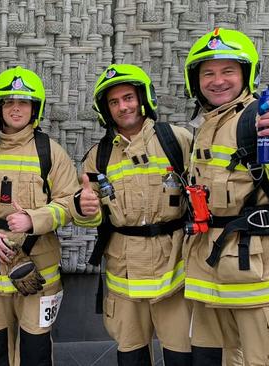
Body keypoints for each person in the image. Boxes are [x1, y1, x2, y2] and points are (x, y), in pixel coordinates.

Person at [0, 65, 100, 365]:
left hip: (39, 277)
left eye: (23, 102)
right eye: (9, 102)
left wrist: (35, 220)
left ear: (35, 108)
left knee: (35, 353)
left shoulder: (51, 152)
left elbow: (68, 205)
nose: (16, 109)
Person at [183, 27, 269, 365]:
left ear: (246, 74)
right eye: (208, 73)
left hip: (267, 284)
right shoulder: (206, 126)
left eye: (228, 71)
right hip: (215, 282)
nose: (217, 80)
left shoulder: (265, 116)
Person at [78, 64, 193, 365]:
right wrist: (83, 209)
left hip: (174, 268)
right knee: (131, 355)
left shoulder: (176, 140)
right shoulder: (98, 156)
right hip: (123, 272)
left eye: (128, 97)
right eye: (114, 102)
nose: (122, 106)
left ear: (143, 98)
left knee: (182, 354)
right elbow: (89, 215)